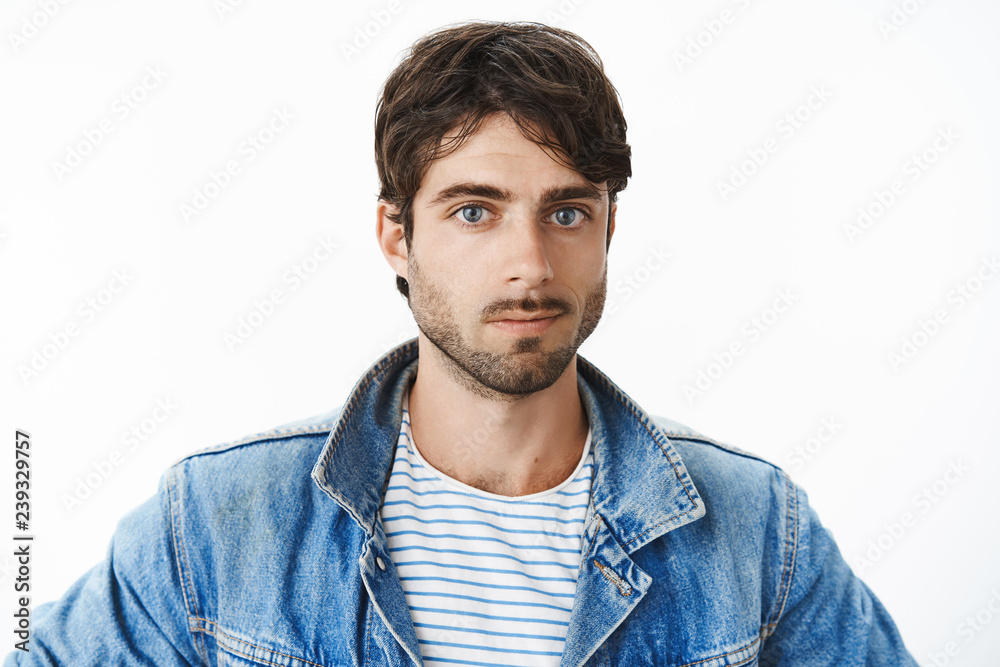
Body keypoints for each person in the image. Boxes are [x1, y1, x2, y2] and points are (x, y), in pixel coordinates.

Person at [7, 20, 918, 667]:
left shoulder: (756, 532)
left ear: (608, 229)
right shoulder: (219, 521)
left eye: (567, 211)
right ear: (397, 236)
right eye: (475, 210)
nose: (529, 262)